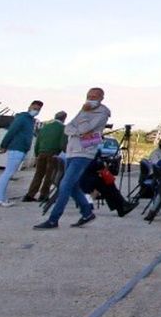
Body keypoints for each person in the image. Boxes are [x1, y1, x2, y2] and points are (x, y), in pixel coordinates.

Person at [35, 88, 111, 230]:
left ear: (101, 98)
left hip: (84, 152)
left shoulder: (101, 113)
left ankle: (53, 219)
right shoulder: (84, 110)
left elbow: (85, 128)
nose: (90, 98)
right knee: (73, 186)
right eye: (88, 96)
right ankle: (87, 213)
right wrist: (78, 129)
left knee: (65, 185)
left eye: (94, 96)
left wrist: (84, 118)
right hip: (72, 151)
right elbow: (68, 128)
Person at [0, 101, 40, 206]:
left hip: (21, 149)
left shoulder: (30, 121)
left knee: (9, 173)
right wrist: (3, 145)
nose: (36, 111)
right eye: (34, 108)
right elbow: (11, 131)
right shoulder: (22, 118)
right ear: (29, 107)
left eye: (38, 109)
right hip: (17, 148)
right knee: (8, 173)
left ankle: (2, 198)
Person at [23, 109, 66, 203]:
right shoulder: (63, 128)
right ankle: (43, 195)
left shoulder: (45, 127)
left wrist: (37, 153)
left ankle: (30, 194)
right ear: (64, 119)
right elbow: (63, 144)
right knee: (49, 175)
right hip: (53, 154)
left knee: (38, 174)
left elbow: (37, 141)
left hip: (41, 152)